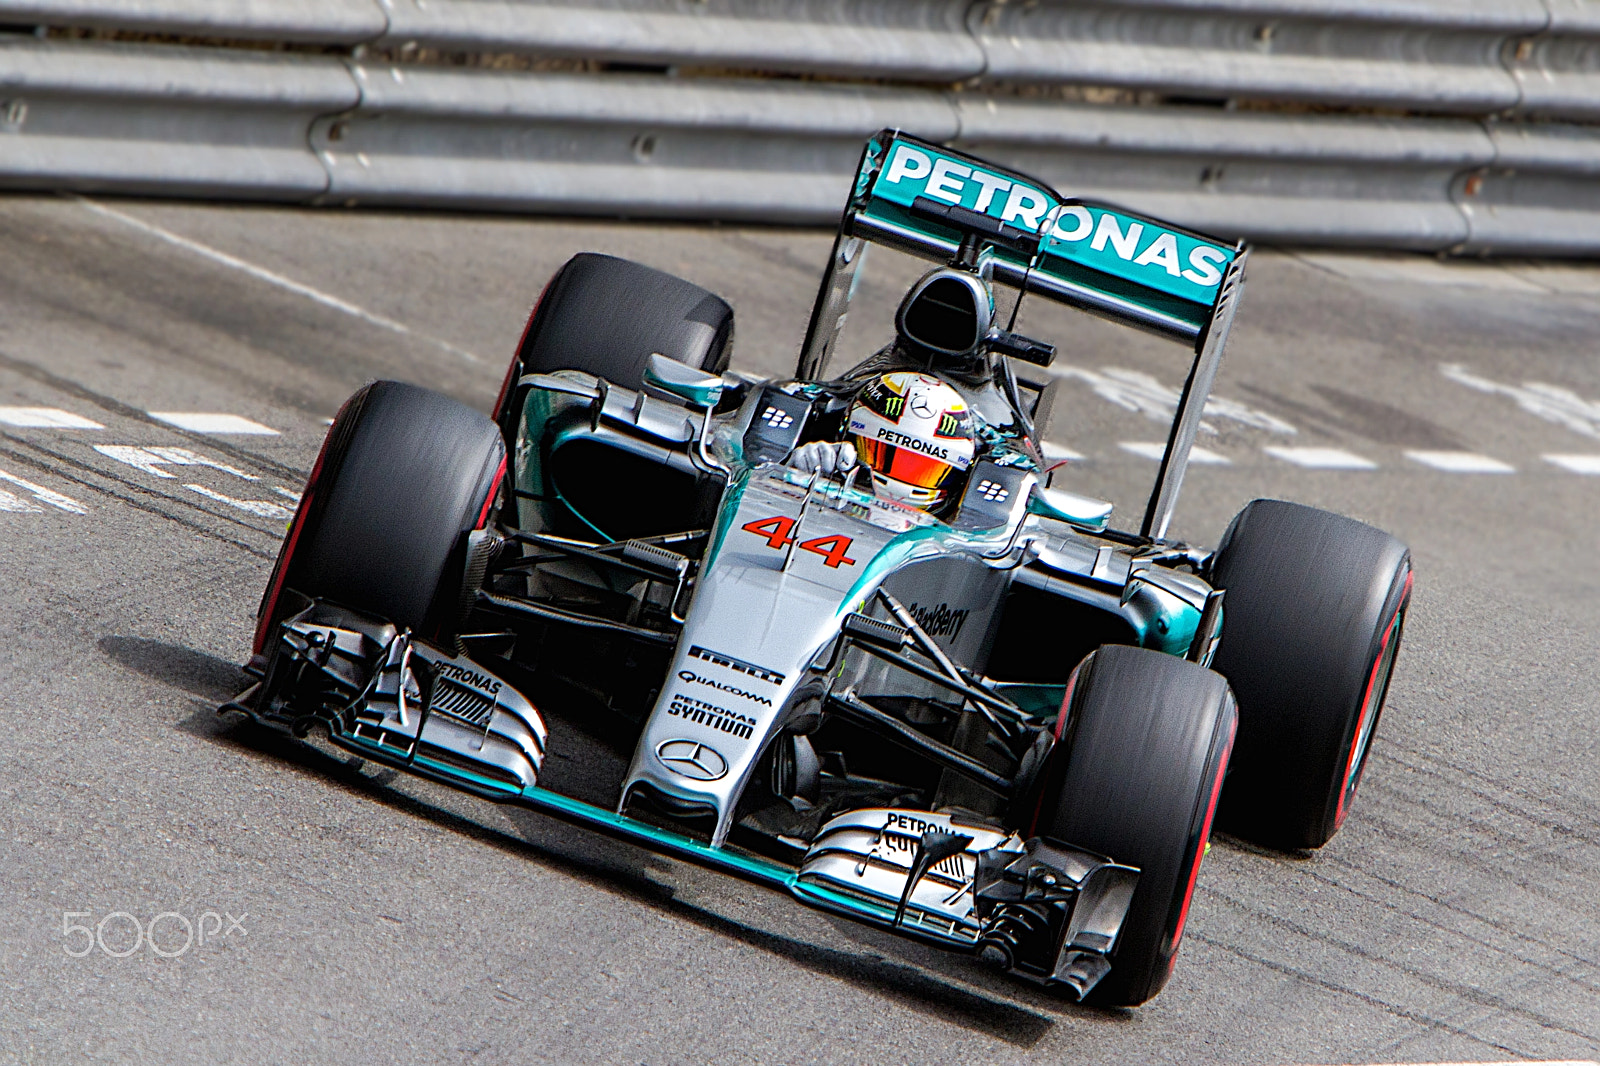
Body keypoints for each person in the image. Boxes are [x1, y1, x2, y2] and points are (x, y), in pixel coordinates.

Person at [786, 266, 1033, 514]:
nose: (899, 482)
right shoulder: (837, 418)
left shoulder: (989, 445)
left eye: (922, 469)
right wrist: (790, 467)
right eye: (882, 454)